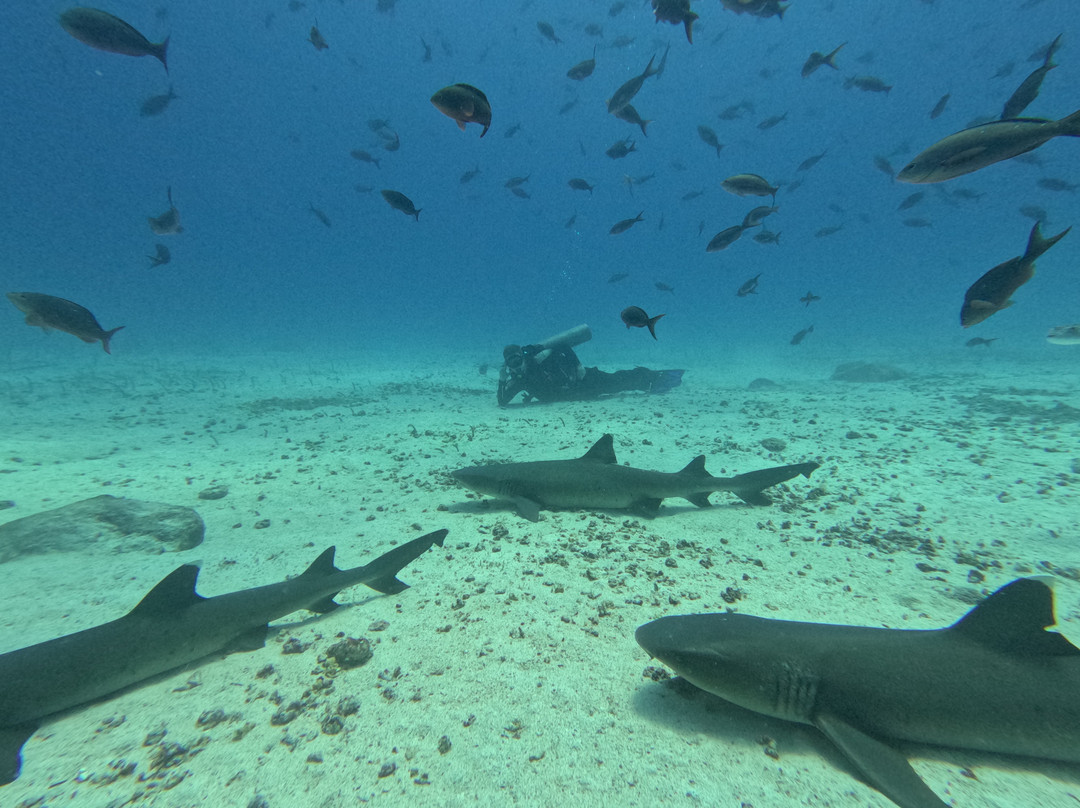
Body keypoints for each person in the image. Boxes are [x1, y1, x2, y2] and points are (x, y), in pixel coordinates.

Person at [496, 324, 684, 406]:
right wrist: (501, 379)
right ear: (507, 365)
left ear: (522, 356)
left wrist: (578, 367)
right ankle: (652, 377)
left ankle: (655, 378)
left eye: (518, 359)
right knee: (615, 384)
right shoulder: (518, 380)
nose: (517, 365)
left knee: (617, 381)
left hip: (581, 382)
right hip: (572, 394)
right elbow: (503, 401)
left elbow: (562, 345)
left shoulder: (538, 357)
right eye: (511, 362)